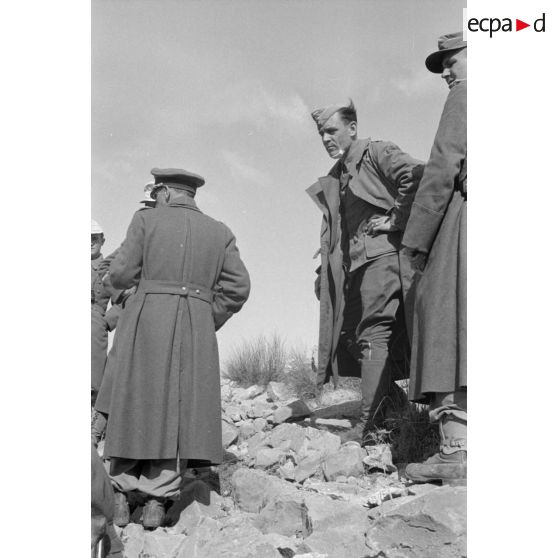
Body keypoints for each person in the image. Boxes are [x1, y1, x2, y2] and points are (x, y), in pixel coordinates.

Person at [103, 168, 250, 529]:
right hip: (194, 325)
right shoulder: (220, 231)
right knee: (177, 410)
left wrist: (119, 289)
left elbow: (120, 275)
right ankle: (157, 501)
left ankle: (120, 494)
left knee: (134, 400)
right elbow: (238, 287)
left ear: (165, 192)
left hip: (146, 318)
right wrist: (204, 315)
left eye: (157, 192)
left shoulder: (145, 220)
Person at [307, 101, 424, 443]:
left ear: (352, 129)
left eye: (332, 130)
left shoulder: (376, 152)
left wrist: (395, 220)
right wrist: (325, 270)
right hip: (354, 267)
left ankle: (368, 424)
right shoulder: (338, 175)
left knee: (373, 334)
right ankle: (390, 405)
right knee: (348, 335)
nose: (326, 138)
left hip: (383, 259)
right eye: (321, 134)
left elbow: (417, 176)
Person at [401, 32, 467, 483]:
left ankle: (457, 450)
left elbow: (444, 164)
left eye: (453, 60)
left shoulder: (468, 95)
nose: (446, 71)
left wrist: (416, 239)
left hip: (466, 224)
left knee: (447, 322)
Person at [92, 182, 157, 446]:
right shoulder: (140, 230)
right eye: (149, 206)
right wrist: (111, 310)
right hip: (135, 311)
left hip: (158, 312)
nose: (152, 210)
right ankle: (99, 429)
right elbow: (112, 264)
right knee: (117, 367)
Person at [91, 220, 121, 402]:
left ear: (103, 240)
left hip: (94, 330)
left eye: (94, 238)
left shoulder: (110, 267)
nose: (90, 242)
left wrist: (106, 322)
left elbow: (124, 300)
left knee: (92, 386)